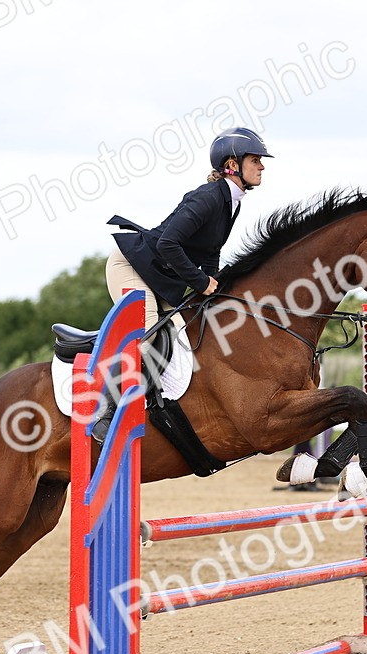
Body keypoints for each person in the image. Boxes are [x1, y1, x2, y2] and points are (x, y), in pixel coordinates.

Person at [92, 127, 273, 442]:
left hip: (161, 277)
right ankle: (103, 411)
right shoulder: (207, 198)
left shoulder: (232, 202)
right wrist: (201, 282)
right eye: (256, 160)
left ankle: (155, 405)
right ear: (232, 165)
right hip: (131, 265)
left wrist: (214, 287)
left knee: (186, 335)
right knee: (149, 335)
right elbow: (167, 244)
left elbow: (210, 249)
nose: (262, 166)